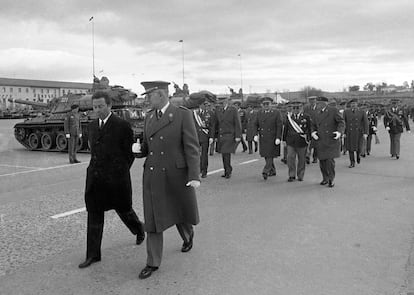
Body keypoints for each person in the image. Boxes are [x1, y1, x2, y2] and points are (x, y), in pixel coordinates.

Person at [135, 81, 200, 279]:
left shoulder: (182, 114)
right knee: (153, 218)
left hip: (175, 174)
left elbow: (191, 147)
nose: (146, 99)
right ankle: (152, 262)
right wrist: (139, 151)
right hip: (154, 174)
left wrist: (194, 175)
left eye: (149, 95)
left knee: (179, 211)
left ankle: (188, 236)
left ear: (161, 95)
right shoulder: (149, 118)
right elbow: (147, 146)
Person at [78, 91, 145, 269]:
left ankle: (139, 229)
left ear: (109, 106)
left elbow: (129, 154)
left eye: (101, 106)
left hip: (116, 180)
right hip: (95, 179)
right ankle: (93, 255)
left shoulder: (122, 125)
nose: (97, 110)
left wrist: (119, 172)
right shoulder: (92, 126)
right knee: (94, 215)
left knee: (124, 211)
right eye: (95, 107)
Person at [311, 96, 345, 188]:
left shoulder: (333, 110)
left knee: (329, 161)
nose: (316, 105)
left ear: (324, 103)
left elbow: (341, 122)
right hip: (320, 139)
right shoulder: (316, 113)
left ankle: (331, 179)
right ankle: (325, 178)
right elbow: (313, 125)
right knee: (322, 161)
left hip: (331, 139)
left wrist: (339, 132)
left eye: (318, 103)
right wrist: (313, 132)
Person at [211, 96, 242, 179]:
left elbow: (237, 123)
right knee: (224, 154)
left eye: (222, 102)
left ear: (226, 102)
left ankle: (228, 171)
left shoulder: (233, 110)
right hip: (221, 136)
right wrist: (214, 136)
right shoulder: (218, 110)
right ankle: (227, 170)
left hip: (229, 135)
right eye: (220, 103)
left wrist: (238, 136)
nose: (221, 104)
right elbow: (216, 124)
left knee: (226, 153)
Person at [254, 97, 283, 180]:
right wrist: (255, 134)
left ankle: (265, 171)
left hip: (272, 137)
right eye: (264, 104)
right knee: (266, 155)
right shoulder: (259, 113)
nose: (266, 105)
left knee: (270, 154)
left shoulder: (276, 112)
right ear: (262, 105)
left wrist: (278, 137)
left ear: (271, 104)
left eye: (268, 104)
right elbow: (255, 124)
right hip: (263, 138)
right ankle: (273, 170)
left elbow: (279, 126)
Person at [282, 102, 312, 182]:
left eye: (297, 108)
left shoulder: (306, 117)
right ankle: (291, 175)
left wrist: (309, 138)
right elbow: (286, 129)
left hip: (302, 141)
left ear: (301, 108)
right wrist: (284, 140)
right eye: (294, 108)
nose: (296, 110)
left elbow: (310, 129)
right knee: (290, 158)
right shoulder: (289, 117)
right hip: (291, 141)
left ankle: (300, 175)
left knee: (301, 159)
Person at [188, 99, 213, 178]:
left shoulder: (210, 113)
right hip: (196, 136)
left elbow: (212, 126)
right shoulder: (193, 113)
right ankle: (198, 169)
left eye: (205, 105)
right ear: (199, 105)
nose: (204, 106)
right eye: (203, 105)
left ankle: (204, 171)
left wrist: (211, 137)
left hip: (205, 136)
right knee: (196, 154)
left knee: (204, 155)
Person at [343, 99, 368, 168]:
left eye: (355, 103)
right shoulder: (346, 112)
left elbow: (366, 123)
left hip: (359, 132)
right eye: (352, 103)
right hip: (349, 133)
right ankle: (352, 162)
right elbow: (343, 123)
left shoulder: (362, 112)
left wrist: (365, 133)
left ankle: (358, 156)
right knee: (350, 148)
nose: (353, 105)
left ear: (357, 104)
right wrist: (343, 132)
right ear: (350, 105)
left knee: (358, 147)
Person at [303, 96, 319, 163]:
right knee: (308, 142)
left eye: (313, 100)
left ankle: (315, 157)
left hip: (317, 127)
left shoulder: (319, 108)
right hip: (308, 127)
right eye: (310, 100)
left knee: (316, 143)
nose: (312, 102)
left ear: (316, 101)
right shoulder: (306, 108)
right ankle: (307, 156)